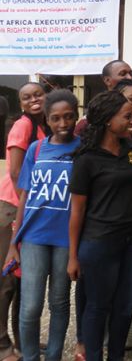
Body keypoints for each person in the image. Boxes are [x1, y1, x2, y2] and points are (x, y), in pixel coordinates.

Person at [67, 91, 132, 361]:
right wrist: (73, 257)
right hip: (99, 243)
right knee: (98, 307)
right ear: (107, 119)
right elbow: (77, 212)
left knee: (126, 306)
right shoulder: (86, 159)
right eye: (127, 116)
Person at [4, 90, 79, 361]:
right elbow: (25, 196)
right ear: (47, 120)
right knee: (30, 306)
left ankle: (55, 356)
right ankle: (31, 357)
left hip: (65, 239)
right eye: (56, 118)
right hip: (34, 236)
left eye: (69, 117)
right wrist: (14, 243)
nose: (63, 124)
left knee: (59, 302)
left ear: (76, 116)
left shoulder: (83, 150)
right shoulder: (36, 149)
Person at [0, 82, 48, 361]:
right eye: (27, 97)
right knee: (6, 280)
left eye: (38, 94)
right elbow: (17, 173)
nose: (34, 100)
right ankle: (3, 345)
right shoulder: (22, 126)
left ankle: (23, 340)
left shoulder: (44, 128)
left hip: (30, 210)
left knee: (22, 281)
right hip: (12, 208)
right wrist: (24, 213)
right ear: (21, 104)